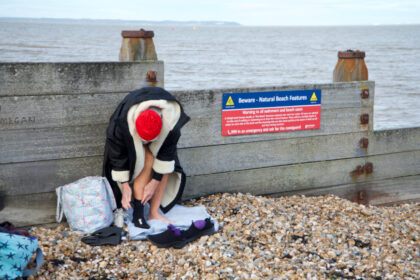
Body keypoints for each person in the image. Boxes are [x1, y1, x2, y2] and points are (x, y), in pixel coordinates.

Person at [103, 87, 190, 229]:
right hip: (129, 126)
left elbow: (166, 157)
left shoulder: (172, 122)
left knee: (161, 162)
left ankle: (154, 212)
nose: (146, 144)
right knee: (145, 160)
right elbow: (117, 156)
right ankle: (138, 214)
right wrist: (125, 185)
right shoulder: (120, 124)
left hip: (161, 132)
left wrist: (155, 182)